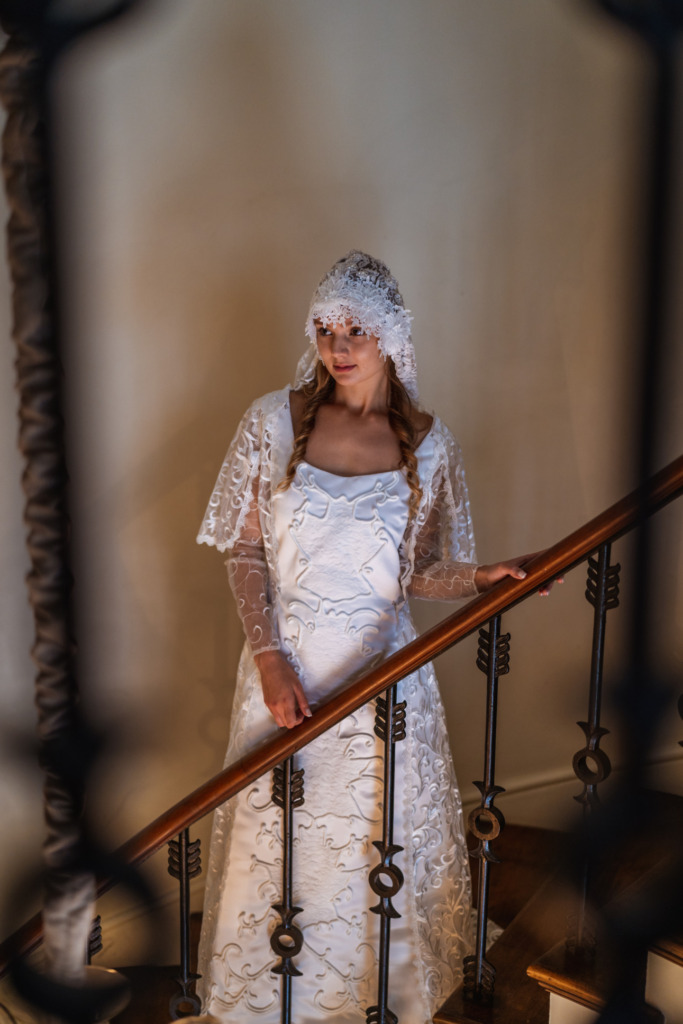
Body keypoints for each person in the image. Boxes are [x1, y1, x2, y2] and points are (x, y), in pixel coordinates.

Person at [195, 252, 538, 1023]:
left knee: (368, 854)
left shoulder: (429, 441)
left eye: (355, 330)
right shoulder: (271, 421)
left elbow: (418, 571)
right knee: (283, 847)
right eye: (324, 329)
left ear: (390, 335)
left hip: (385, 680)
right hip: (287, 675)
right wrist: (270, 657)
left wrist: (480, 578)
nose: (338, 346)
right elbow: (245, 551)